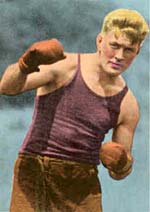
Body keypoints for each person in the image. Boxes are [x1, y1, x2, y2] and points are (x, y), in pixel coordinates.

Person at [0, 8, 149, 212]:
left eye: (128, 50)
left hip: (82, 185)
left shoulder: (127, 104)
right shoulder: (65, 66)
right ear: (99, 41)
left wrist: (121, 162)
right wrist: (25, 65)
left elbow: (119, 173)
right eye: (114, 45)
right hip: (35, 171)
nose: (119, 56)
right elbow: (7, 87)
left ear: (137, 51)